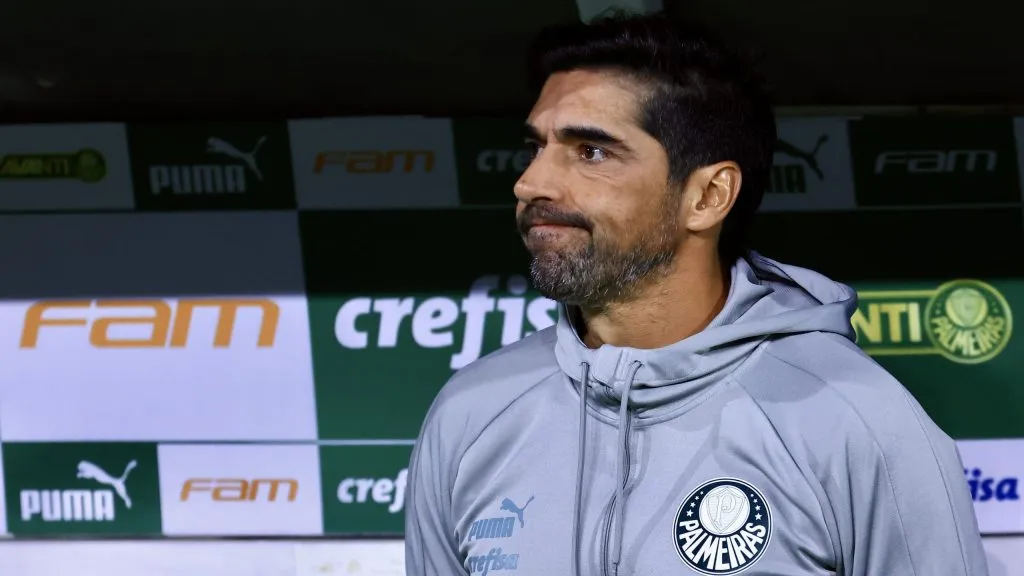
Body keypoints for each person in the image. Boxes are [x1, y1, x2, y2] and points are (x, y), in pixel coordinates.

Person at [404, 9, 989, 576]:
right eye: (536, 147)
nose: (530, 182)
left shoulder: (858, 420)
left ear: (708, 196)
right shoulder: (471, 414)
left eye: (592, 152)